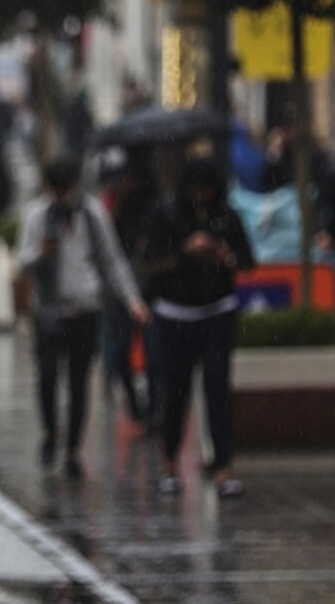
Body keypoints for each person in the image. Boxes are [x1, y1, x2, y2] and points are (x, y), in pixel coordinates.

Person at [17, 159, 149, 478]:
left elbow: (112, 259)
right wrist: (40, 252)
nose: (62, 197)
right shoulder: (37, 215)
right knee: (48, 379)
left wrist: (132, 300)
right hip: (49, 310)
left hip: (85, 311)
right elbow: (22, 260)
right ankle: (50, 434)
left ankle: (73, 448)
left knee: (79, 382)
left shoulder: (92, 215)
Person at [139, 159, 255, 497]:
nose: (201, 196)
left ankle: (223, 466)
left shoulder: (226, 216)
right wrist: (185, 251)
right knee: (175, 392)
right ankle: (170, 464)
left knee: (218, 391)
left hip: (217, 312)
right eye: (195, 189)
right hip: (175, 314)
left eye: (207, 190)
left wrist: (223, 256)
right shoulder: (166, 214)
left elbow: (247, 260)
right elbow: (148, 261)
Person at [101, 152, 161, 425]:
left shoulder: (157, 202)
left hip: (148, 287)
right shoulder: (117, 204)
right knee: (124, 349)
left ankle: (151, 408)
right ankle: (139, 407)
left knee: (150, 351)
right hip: (123, 290)